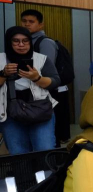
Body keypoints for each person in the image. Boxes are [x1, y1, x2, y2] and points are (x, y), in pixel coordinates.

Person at [0, 26, 60, 154]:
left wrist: (37, 78)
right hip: (10, 113)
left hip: (40, 110)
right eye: (16, 41)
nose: (21, 45)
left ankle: (46, 174)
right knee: (18, 153)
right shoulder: (0, 59)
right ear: (9, 42)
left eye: (25, 41)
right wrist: (3, 74)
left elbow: (55, 82)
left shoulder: (41, 59)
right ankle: (24, 174)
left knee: (44, 150)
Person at [20, 9, 70, 147]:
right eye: (24, 21)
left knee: (50, 136)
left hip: (50, 90)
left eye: (31, 22)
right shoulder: (23, 42)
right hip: (32, 93)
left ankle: (51, 165)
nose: (27, 24)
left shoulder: (45, 42)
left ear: (40, 25)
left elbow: (47, 69)